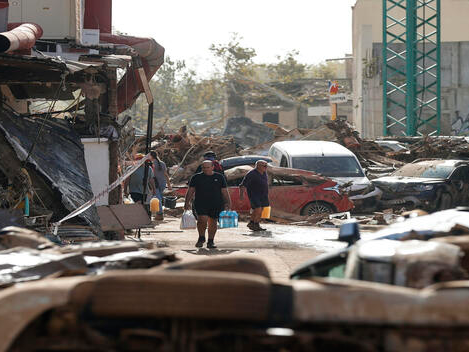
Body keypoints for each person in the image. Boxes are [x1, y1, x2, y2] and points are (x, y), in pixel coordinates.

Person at [184, 160, 231, 249]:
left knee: (213, 222)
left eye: (208, 167)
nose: (206, 169)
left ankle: (211, 241)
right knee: (202, 219)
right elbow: (190, 190)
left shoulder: (219, 177)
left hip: (216, 203)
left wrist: (228, 202)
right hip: (200, 202)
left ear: (213, 167)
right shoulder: (196, 177)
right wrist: (186, 202)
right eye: (204, 168)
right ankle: (201, 238)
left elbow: (224, 191)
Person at [239, 160, 269, 231]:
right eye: (264, 166)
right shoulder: (252, 174)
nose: (266, 167)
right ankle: (256, 224)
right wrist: (241, 195)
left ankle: (251, 223)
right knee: (258, 209)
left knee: (260, 209)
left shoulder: (264, 173)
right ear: (258, 166)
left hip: (263, 195)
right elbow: (242, 185)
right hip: (254, 194)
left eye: (266, 165)